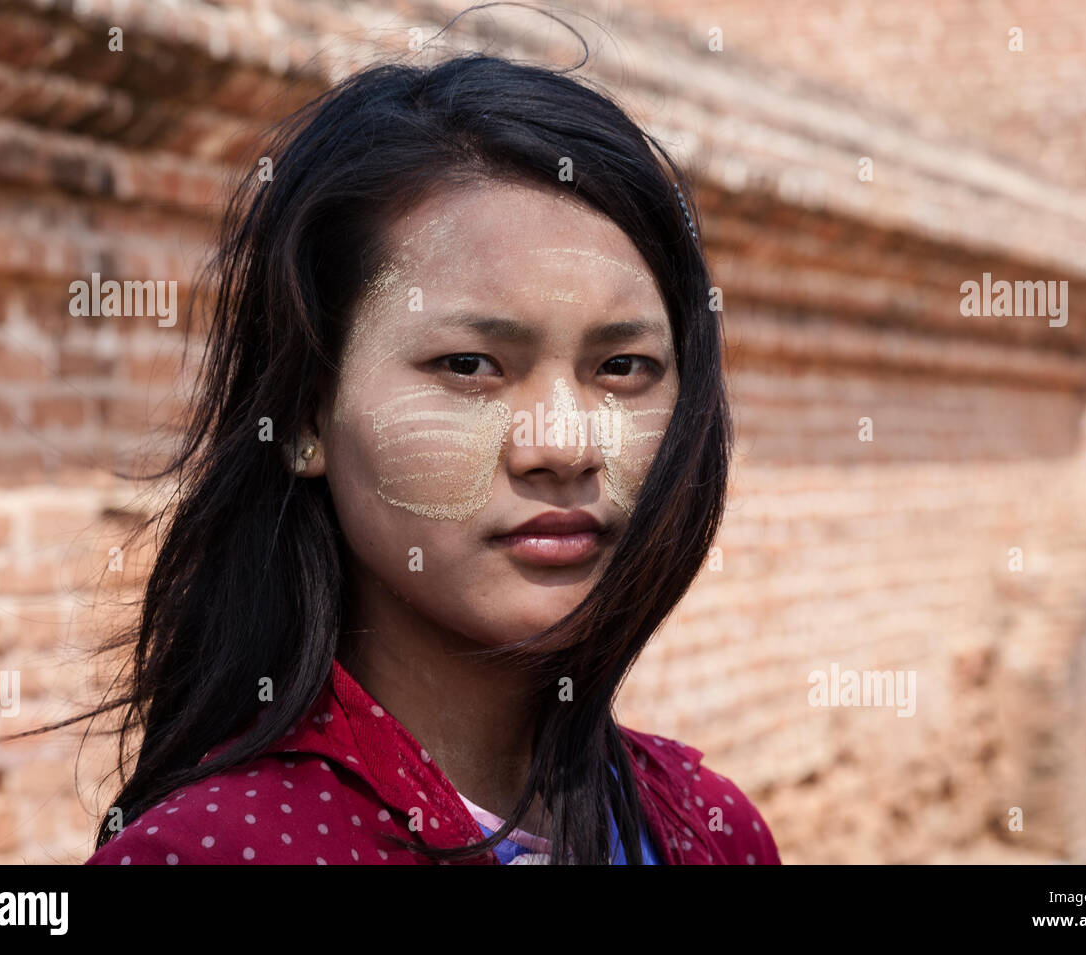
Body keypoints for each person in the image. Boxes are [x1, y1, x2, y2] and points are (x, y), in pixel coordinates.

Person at [82, 50, 779, 865]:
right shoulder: (216, 853)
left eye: (621, 369)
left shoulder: (710, 829)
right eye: (469, 366)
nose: (563, 446)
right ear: (306, 412)